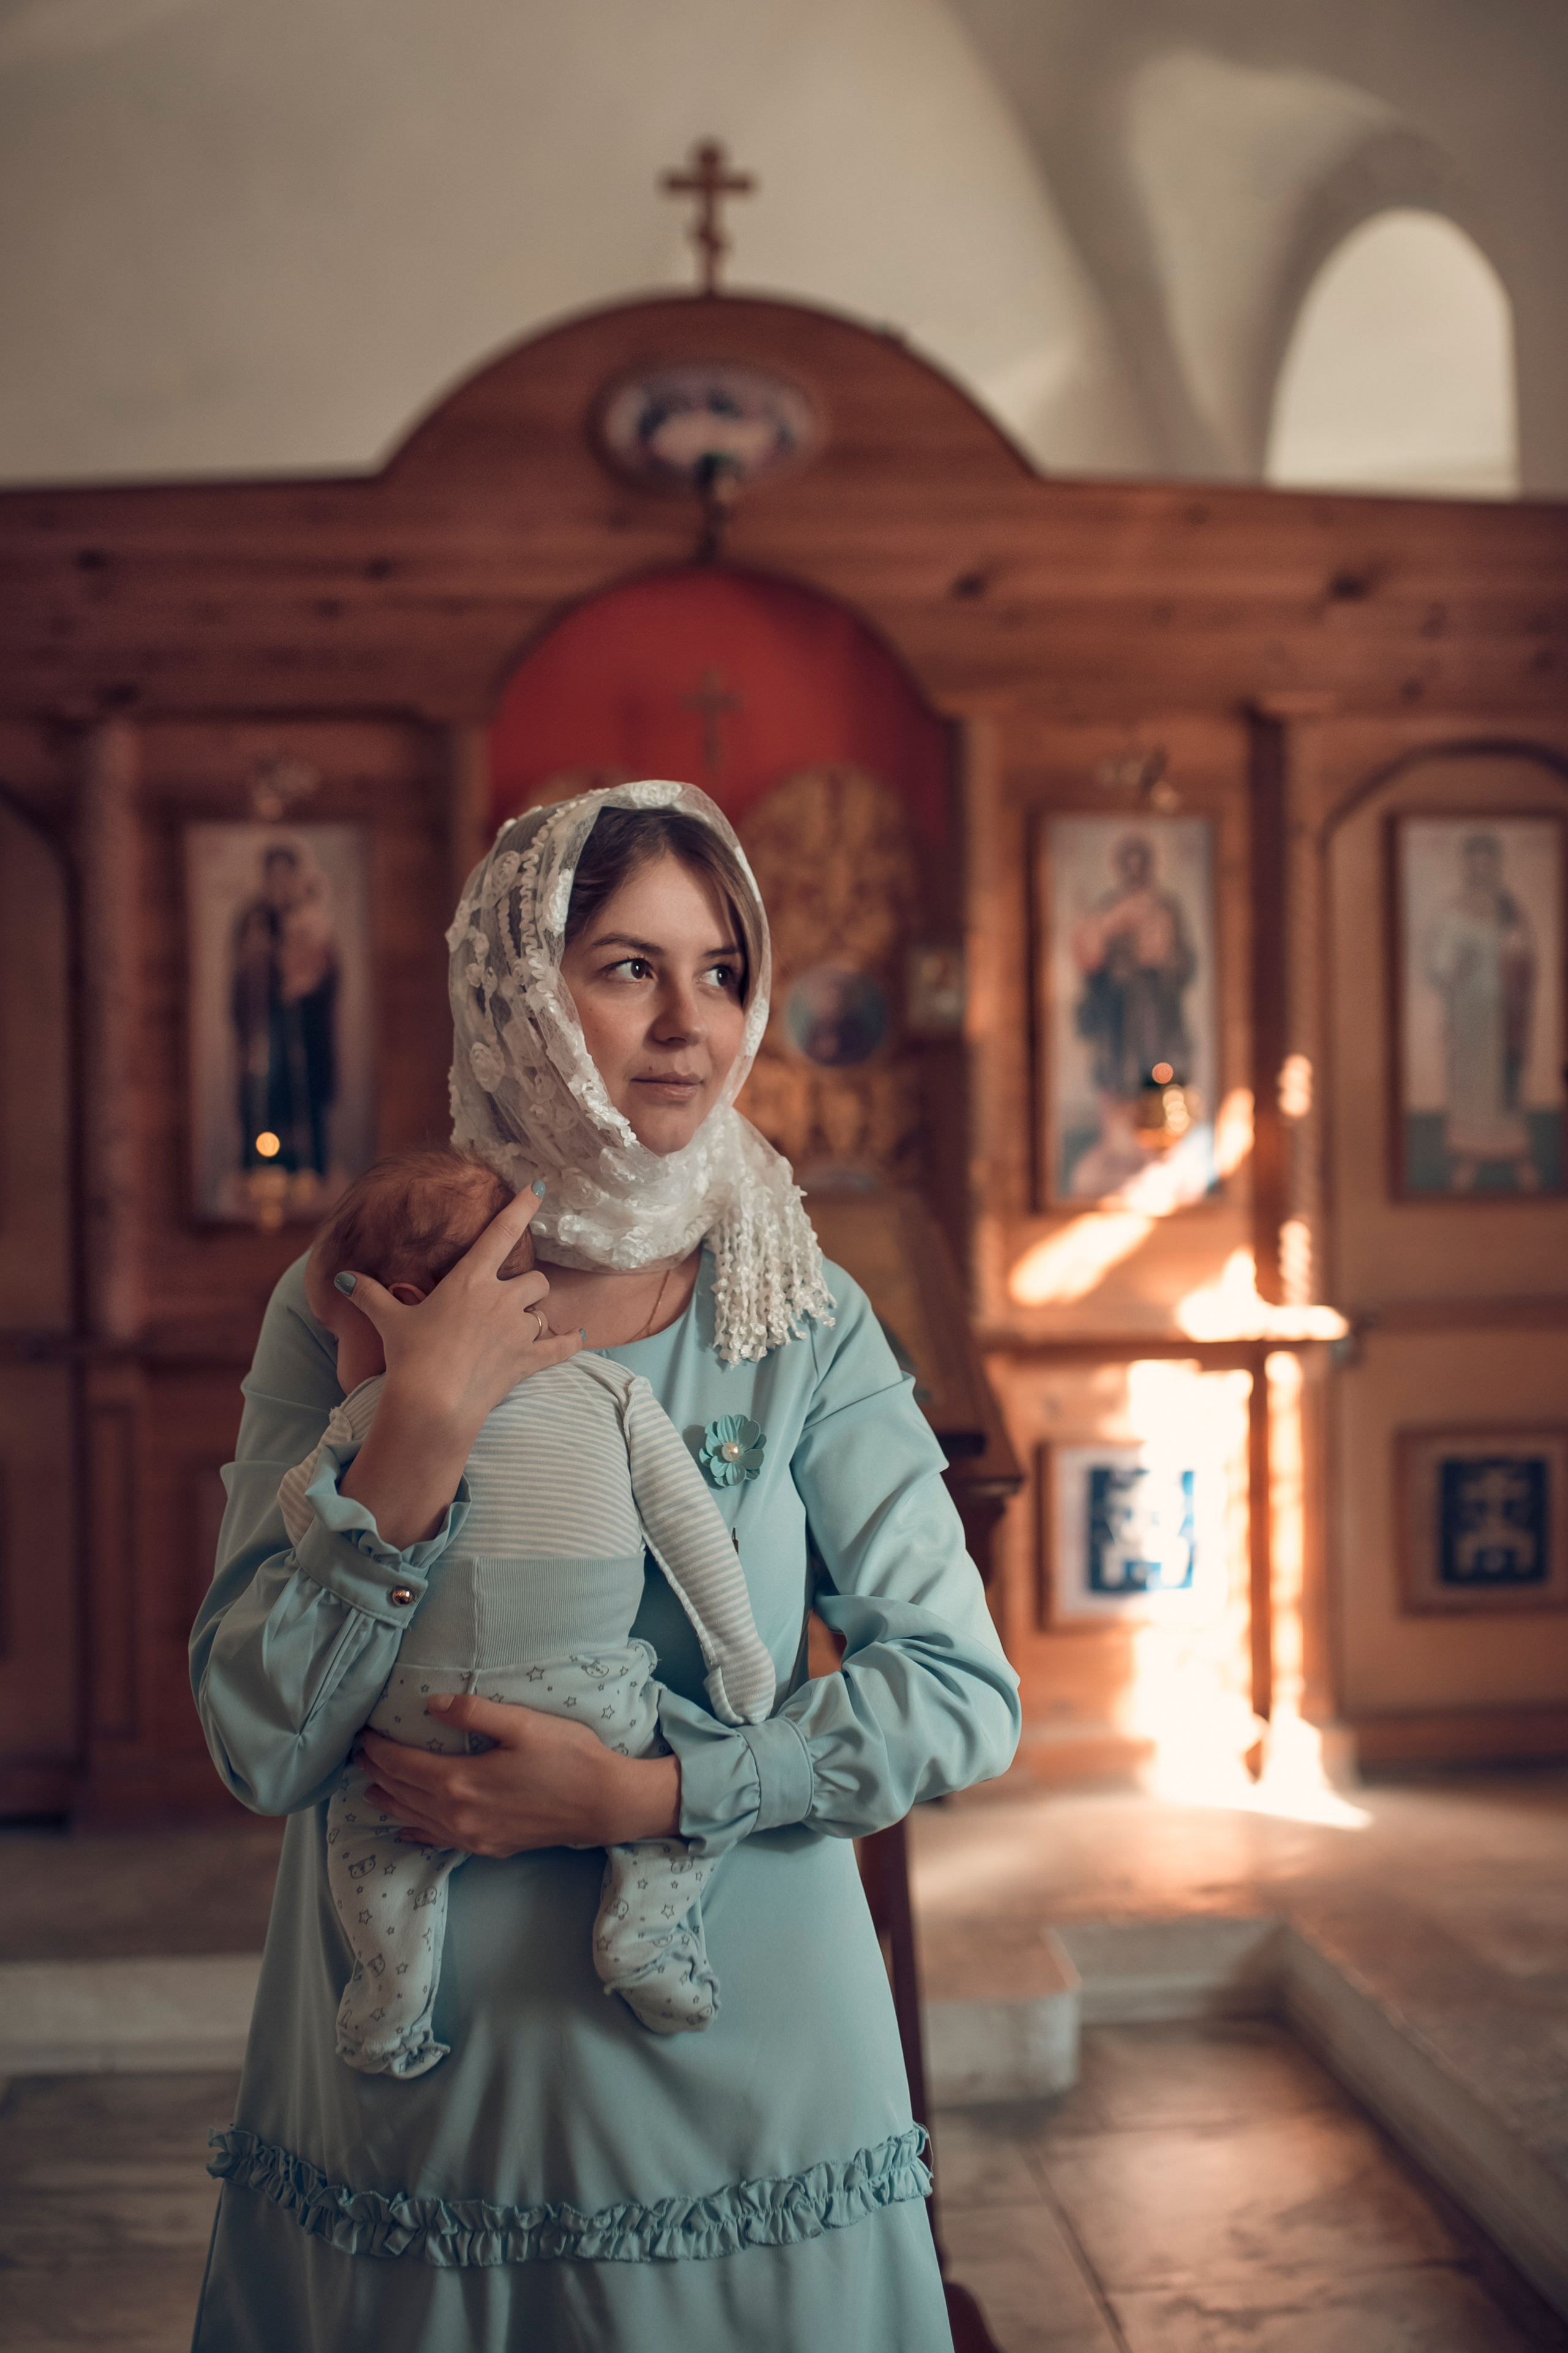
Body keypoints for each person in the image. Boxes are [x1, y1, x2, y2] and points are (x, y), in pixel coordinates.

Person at [189, 779, 1021, 2351]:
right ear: (518, 982)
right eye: (627, 965)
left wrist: (648, 1798)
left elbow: (957, 1698)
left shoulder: (796, 1307)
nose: (685, 1024)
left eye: (718, 971)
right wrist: (417, 1434)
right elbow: (255, 1737)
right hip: (413, 2102)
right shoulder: (358, 1289)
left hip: (748, 2087)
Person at [281, 1144, 775, 2072]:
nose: (335, 1356)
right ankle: (647, 1934)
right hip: (591, 1692)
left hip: (408, 1714)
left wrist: (384, 1436)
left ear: (394, 1302)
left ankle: (388, 1995)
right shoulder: (610, 1388)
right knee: (686, 1777)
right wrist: (739, 1659)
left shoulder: (365, 1418)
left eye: (335, 1330)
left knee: (366, 1831)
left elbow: (302, 1518)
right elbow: (690, 1530)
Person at [1425, 832, 1539, 1192]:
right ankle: (1469, 1158)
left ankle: (1516, 1156)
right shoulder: (1454, 911)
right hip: (1469, 1015)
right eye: (1475, 862)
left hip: (1506, 1016)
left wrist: (1516, 960)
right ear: (1468, 865)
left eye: (1488, 861)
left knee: (1506, 1088)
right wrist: (1456, 967)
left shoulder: (1511, 909)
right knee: (1471, 1087)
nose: (1482, 868)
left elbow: (1527, 956)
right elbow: (1438, 965)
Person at [230, 839, 339, 1180]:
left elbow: (330, 972)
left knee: (307, 1105)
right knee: (264, 1103)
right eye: (273, 875)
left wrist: (308, 979)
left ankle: (310, 1174)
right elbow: (240, 980)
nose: (280, 882)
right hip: (264, 1026)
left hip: (307, 1029)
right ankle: (263, 1172)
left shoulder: (310, 915)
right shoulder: (252, 919)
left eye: (286, 874)